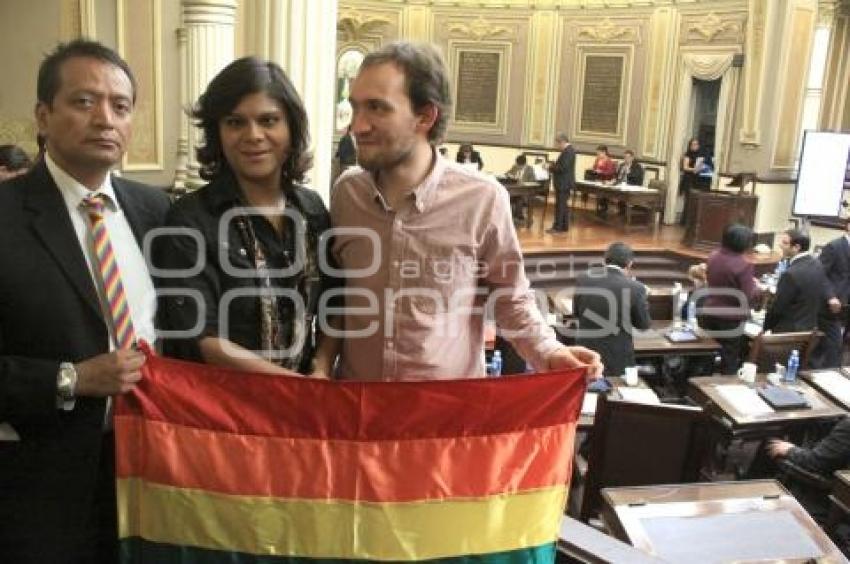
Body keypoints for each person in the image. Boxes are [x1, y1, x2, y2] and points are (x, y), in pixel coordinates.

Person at [318, 41, 602, 381]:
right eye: (356, 107)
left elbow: (510, 297)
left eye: (377, 109)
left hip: (447, 420)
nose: (357, 126)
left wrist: (550, 351)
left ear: (425, 116)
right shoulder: (347, 194)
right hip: (358, 413)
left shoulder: (482, 199)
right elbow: (336, 295)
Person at [0, 40, 170, 563]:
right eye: (83, 102)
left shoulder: (157, 211)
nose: (105, 119)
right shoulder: (6, 214)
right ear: (43, 117)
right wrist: (70, 378)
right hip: (39, 486)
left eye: (120, 106)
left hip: (152, 474)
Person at [154, 57, 336, 376]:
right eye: (235, 122)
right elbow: (201, 337)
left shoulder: (313, 209)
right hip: (222, 411)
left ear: (291, 128)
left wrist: (320, 369)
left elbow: (336, 304)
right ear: (217, 133)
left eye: (268, 121)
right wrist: (292, 386)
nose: (253, 135)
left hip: (304, 404)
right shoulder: (191, 219)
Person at [573, 243, 651, 377]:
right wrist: (643, 301)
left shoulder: (583, 279)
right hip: (618, 356)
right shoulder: (637, 288)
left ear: (604, 260)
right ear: (629, 264)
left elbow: (576, 313)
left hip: (586, 352)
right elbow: (643, 325)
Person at [699, 224, 761, 374]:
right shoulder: (744, 265)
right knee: (729, 358)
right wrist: (757, 288)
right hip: (730, 319)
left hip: (709, 311)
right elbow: (747, 295)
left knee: (706, 354)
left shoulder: (713, 256)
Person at [764, 229, 835, 333]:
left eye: (785, 243)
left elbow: (777, 309)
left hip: (785, 333)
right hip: (809, 330)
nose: (780, 245)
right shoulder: (817, 265)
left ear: (796, 247)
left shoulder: (790, 274)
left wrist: (765, 328)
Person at [813, 220, 850, 367]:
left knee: (824, 346)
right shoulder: (834, 246)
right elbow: (819, 274)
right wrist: (830, 296)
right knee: (834, 346)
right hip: (829, 306)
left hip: (846, 304)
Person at [548, 132, 575, 233]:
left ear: (562, 141)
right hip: (563, 183)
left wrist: (550, 167)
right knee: (563, 205)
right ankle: (564, 226)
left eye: (558, 143)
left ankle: (557, 227)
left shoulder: (568, 151)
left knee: (560, 206)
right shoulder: (568, 151)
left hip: (563, 183)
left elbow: (563, 168)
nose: (557, 146)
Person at [679, 138, 705, 226]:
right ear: (690, 146)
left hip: (697, 180)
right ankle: (685, 222)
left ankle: (692, 222)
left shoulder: (701, 155)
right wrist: (694, 169)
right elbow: (685, 167)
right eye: (693, 144)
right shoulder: (687, 155)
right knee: (688, 200)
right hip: (688, 179)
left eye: (696, 144)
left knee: (696, 201)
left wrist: (702, 168)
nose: (695, 146)